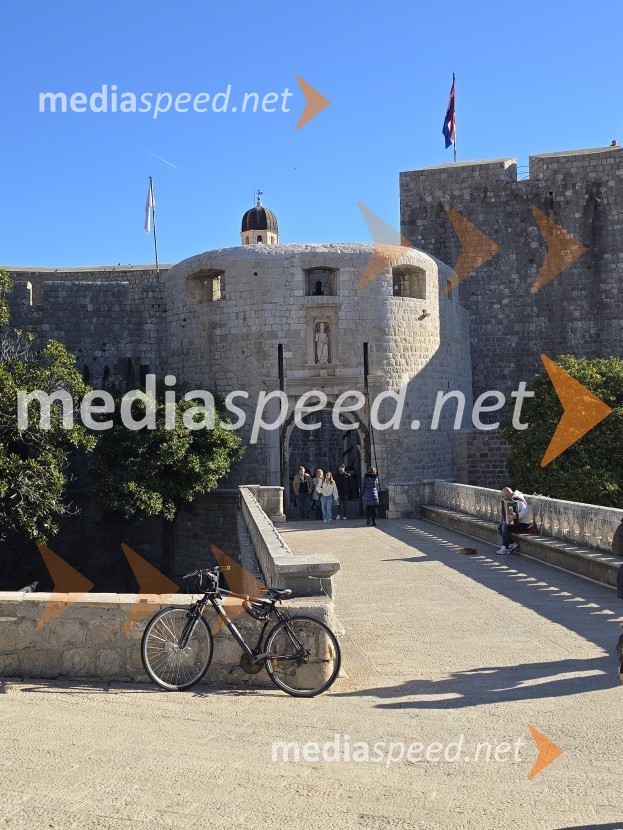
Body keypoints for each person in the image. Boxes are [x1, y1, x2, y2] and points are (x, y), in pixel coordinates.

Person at [496, 486, 534, 555]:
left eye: (503, 496)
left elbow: (526, 510)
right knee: (499, 527)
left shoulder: (518, 501)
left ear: (507, 495)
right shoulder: (510, 500)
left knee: (505, 525)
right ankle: (512, 543)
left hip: (524, 525)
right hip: (518, 524)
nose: (502, 498)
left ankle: (505, 547)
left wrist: (516, 516)